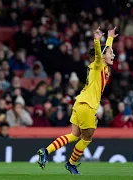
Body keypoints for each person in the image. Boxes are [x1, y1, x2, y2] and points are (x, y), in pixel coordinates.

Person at [37, 26, 118, 174]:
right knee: (87, 138)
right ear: (102, 56)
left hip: (80, 103)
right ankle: (71, 163)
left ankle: (46, 151)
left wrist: (110, 38)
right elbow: (101, 54)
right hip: (87, 106)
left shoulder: (102, 66)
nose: (113, 54)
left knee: (74, 135)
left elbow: (105, 50)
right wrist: (96, 40)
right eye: (111, 53)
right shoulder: (98, 65)